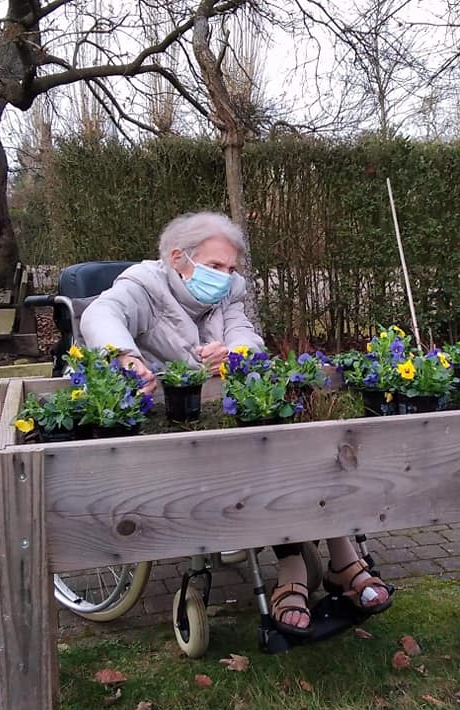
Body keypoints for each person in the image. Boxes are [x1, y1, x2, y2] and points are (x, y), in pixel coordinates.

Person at [80, 211, 392, 637]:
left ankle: (333, 556)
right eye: (214, 267)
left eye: (230, 269)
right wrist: (125, 357)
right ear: (178, 258)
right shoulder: (143, 287)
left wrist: (233, 353)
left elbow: (247, 336)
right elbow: (100, 316)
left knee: (298, 448)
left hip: (219, 419)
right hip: (163, 427)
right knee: (267, 462)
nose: (224, 277)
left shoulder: (226, 297)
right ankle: (305, 567)